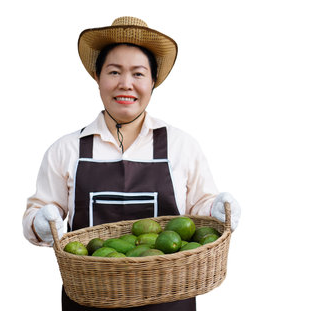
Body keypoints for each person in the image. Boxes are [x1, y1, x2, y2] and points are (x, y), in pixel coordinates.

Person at [23, 16, 241, 311]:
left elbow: (200, 209)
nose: (126, 84)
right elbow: (38, 217)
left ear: (153, 81)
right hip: (91, 301)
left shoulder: (181, 146)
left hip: (170, 300)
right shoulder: (66, 149)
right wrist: (41, 222)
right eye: (114, 72)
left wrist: (217, 208)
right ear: (98, 78)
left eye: (138, 74)